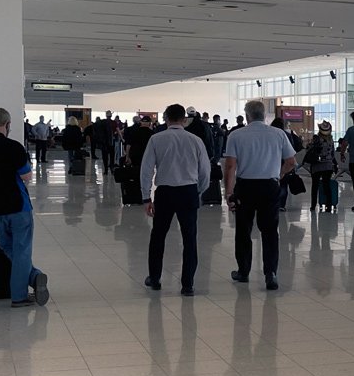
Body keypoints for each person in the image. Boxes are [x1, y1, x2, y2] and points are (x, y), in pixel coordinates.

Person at [224, 100, 297, 291]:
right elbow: (291, 161)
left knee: (243, 230)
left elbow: (230, 166)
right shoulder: (278, 134)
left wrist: (228, 192)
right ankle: (270, 273)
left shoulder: (236, 135)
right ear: (264, 115)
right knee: (270, 231)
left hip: (245, 187)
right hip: (269, 186)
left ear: (247, 115)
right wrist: (278, 176)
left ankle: (243, 271)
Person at [0, 108, 49, 307]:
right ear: (8, 125)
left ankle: (34, 277)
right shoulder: (13, 147)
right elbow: (27, 176)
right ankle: (20, 294)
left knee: (7, 247)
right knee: (22, 250)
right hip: (18, 207)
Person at [141, 104, 210, 296]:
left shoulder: (156, 139)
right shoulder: (196, 140)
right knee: (189, 238)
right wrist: (198, 191)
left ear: (165, 118)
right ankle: (187, 284)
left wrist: (146, 197)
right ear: (184, 119)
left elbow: (146, 170)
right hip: (188, 191)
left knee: (158, 236)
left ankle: (155, 278)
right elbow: (205, 171)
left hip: (165, 193)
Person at [303, 121, 338, 212]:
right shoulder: (331, 140)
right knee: (327, 186)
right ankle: (329, 206)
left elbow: (309, 149)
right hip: (328, 166)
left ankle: (313, 206)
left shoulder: (316, 139)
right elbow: (333, 154)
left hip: (317, 165)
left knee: (315, 186)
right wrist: (334, 164)